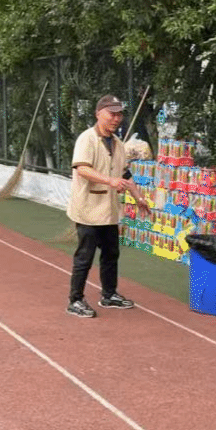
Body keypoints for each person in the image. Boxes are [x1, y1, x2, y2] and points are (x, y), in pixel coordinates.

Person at [66, 93, 151, 317]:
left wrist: (139, 197)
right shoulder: (87, 139)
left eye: (119, 114)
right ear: (98, 114)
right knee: (85, 256)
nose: (116, 118)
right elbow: (82, 169)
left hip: (109, 211)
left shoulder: (119, 144)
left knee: (111, 254)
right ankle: (75, 300)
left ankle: (109, 294)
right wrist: (109, 181)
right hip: (88, 209)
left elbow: (125, 174)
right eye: (111, 114)